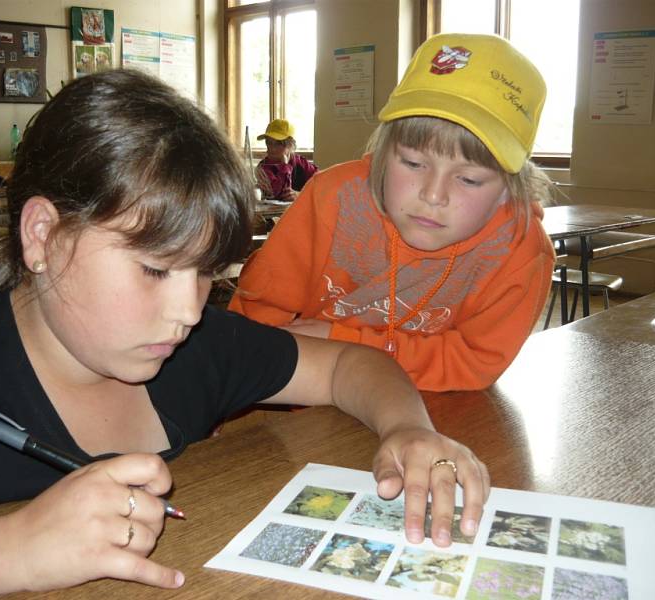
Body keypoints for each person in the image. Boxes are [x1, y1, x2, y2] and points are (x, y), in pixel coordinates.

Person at [0, 69, 489, 597]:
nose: (188, 310)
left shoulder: (197, 349)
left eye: (206, 273)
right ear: (43, 236)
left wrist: (407, 427)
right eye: (154, 268)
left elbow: (344, 366)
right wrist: (13, 548)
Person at [229, 33, 556, 392]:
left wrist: (345, 344)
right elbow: (257, 313)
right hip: (298, 398)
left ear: (511, 188)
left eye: (469, 179)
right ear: (384, 150)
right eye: (413, 163)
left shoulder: (520, 250)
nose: (433, 194)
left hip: (422, 412)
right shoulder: (332, 197)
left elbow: (475, 362)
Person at [256, 118, 318, 201]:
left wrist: (300, 194)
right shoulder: (263, 167)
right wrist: (284, 166)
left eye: (279, 144)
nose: (272, 149)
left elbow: (321, 183)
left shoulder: (300, 163)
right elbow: (275, 193)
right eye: (269, 143)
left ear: (290, 145)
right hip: (273, 213)